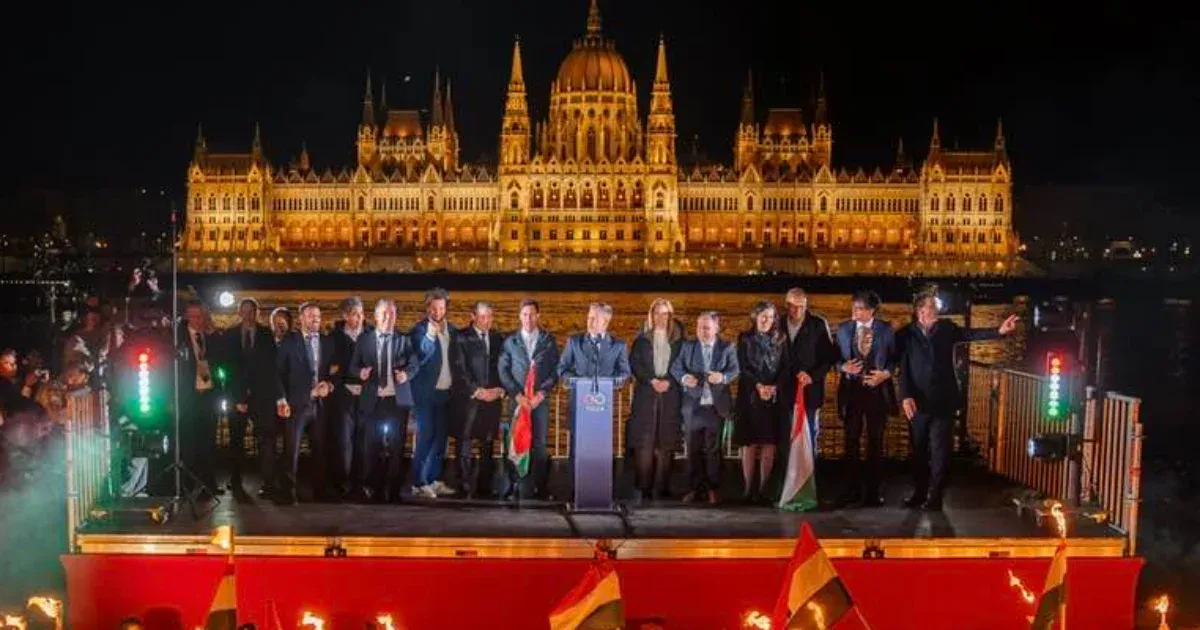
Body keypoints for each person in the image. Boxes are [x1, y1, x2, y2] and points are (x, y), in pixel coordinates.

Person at [897, 293, 1018, 510]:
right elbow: (903, 368)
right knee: (918, 450)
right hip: (918, 403)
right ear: (920, 310)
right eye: (932, 306)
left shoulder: (946, 328)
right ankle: (919, 493)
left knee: (941, 451)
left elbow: (969, 334)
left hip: (943, 400)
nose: (937, 309)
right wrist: (905, 396)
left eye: (936, 306)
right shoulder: (906, 334)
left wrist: (999, 331)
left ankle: (935, 497)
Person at [348, 298, 419, 503]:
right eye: (385, 314)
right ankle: (375, 490)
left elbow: (415, 364)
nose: (389, 318)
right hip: (373, 401)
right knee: (372, 447)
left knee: (397, 448)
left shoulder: (404, 340)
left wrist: (406, 374)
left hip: (396, 402)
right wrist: (360, 372)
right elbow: (353, 366)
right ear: (376, 317)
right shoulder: (364, 340)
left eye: (392, 314)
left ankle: (395, 491)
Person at [557, 302, 632, 491]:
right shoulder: (574, 342)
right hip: (578, 407)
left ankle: (600, 491)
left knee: (601, 451)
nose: (589, 321)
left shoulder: (618, 346)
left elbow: (624, 373)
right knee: (576, 450)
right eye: (589, 317)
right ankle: (574, 492)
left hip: (602, 410)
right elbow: (562, 369)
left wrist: (611, 382)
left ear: (606, 321)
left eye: (595, 318)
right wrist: (574, 381)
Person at [834, 290, 897, 507]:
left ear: (872, 310)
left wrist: (885, 374)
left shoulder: (886, 330)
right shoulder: (843, 329)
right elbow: (834, 359)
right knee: (850, 441)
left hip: (877, 394)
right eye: (854, 307)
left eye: (860, 308)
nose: (855, 311)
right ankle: (850, 490)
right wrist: (844, 367)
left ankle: (873, 492)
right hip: (851, 392)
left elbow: (894, 359)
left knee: (876, 442)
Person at [670, 311, 738, 505]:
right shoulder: (688, 346)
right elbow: (676, 368)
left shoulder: (727, 347)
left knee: (713, 450)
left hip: (716, 407)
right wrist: (685, 378)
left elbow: (735, 369)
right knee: (692, 449)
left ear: (717, 328)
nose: (702, 332)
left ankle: (713, 489)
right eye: (699, 328)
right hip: (693, 406)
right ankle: (693, 489)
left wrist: (722, 377)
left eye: (707, 328)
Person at [497, 297, 560, 501]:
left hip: (539, 402)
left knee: (540, 445)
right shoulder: (510, 342)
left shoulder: (548, 341)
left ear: (538, 315)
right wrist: (516, 395)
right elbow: (503, 370)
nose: (528, 318)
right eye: (525, 314)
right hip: (517, 402)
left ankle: (541, 488)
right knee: (514, 444)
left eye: (532, 314)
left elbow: (555, 371)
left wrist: (542, 394)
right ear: (519, 316)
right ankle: (513, 485)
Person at [776, 288, 837, 495]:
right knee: (785, 438)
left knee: (808, 437)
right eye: (792, 306)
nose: (796, 310)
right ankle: (786, 485)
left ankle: (808, 485)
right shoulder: (778, 323)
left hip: (809, 393)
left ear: (806, 305)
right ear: (786, 305)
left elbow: (828, 359)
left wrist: (812, 376)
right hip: (784, 392)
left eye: (800, 306)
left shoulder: (818, 324)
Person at [273, 302, 335, 505]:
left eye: (318, 316)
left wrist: (330, 385)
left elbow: (335, 370)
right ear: (301, 318)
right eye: (310, 316)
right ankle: (288, 492)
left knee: (321, 450)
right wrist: (281, 399)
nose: (315, 319)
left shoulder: (327, 342)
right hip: (296, 405)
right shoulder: (289, 342)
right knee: (291, 451)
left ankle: (320, 491)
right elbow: (277, 373)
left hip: (320, 405)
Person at [218, 298, 279, 498]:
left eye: (252, 311)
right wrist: (236, 397)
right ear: (239, 312)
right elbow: (226, 368)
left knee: (266, 441)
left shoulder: (266, 334)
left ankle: (268, 483)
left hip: (262, 397)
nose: (248, 315)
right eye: (244, 311)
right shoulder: (229, 335)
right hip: (237, 397)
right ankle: (235, 480)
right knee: (236, 440)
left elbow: (272, 366)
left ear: (257, 312)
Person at [626, 298, 684, 501]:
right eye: (657, 313)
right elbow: (635, 364)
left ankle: (662, 488)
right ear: (651, 315)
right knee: (644, 443)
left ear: (670, 316)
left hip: (670, 395)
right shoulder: (641, 340)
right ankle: (643, 488)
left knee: (666, 443)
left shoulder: (679, 341)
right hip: (646, 395)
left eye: (665, 314)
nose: (661, 317)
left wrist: (669, 381)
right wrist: (651, 380)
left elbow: (682, 365)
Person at [450, 301, 506, 498]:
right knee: (464, 442)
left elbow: (503, 367)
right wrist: (476, 390)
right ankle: (463, 484)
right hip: (468, 399)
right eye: (483, 317)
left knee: (488, 443)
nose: (487, 321)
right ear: (473, 316)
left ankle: (485, 486)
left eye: (490, 317)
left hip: (492, 399)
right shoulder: (460, 337)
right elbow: (459, 368)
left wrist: (500, 390)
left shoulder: (497, 338)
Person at [734, 300, 788, 504]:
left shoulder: (781, 339)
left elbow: (786, 367)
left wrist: (774, 387)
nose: (767, 320)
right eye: (763, 316)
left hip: (772, 398)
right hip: (749, 396)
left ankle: (764, 491)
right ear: (755, 316)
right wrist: (758, 386)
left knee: (769, 444)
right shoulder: (744, 338)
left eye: (771, 317)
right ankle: (748, 490)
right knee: (749, 444)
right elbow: (742, 367)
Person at [409, 288, 458, 499]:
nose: (438, 312)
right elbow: (420, 354)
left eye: (441, 307)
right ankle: (418, 483)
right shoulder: (418, 330)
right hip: (425, 394)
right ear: (427, 308)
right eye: (434, 308)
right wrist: (430, 335)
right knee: (425, 437)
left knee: (440, 439)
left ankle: (433, 479)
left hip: (445, 393)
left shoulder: (452, 330)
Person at [179, 300, 222, 498]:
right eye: (193, 316)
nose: (197, 320)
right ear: (187, 317)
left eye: (200, 316)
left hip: (208, 396)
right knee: (189, 442)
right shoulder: (179, 339)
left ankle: (208, 484)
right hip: (188, 397)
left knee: (208, 442)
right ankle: (188, 484)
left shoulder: (210, 337)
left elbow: (217, 363)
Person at [329, 296, 370, 500]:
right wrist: (346, 382)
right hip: (343, 396)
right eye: (354, 314)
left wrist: (364, 385)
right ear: (345, 316)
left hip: (366, 397)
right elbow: (331, 368)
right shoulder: (334, 338)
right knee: (344, 442)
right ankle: (342, 483)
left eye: (361, 313)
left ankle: (360, 484)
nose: (359, 318)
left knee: (363, 442)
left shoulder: (371, 335)